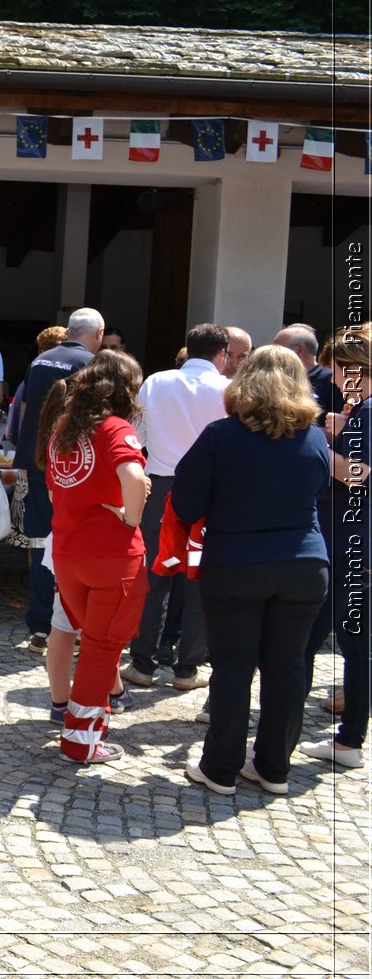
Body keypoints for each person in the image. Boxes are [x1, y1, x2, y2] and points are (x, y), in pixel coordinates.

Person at [177, 346, 331, 796]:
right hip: (304, 564)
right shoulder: (316, 438)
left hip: (236, 565)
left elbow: (187, 504)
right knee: (287, 668)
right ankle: (273, 768)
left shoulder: (220, 435)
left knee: (233, 667)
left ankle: (221, 768)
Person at [42, 350, 151, 763]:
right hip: (111, 555)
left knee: (93, 645)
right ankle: (80, 740)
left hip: (70, 553)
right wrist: (130, 518)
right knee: (101, 650)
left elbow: (56, 492)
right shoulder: (115, 428)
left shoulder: (63, 430)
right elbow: (134, 475)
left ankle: (86, 731)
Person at [122, 324, 231, 692]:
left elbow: (137, 437)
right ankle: (187, 668)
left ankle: (142, 662)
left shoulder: (156, 382)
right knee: (197, 579)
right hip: (209, 490)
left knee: (155, 576)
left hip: (163, 482)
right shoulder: (227, 388)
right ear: (222, 354)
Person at [298, 325, 370, 770]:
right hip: (348, 540)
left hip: (346, 543)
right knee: (339, 642)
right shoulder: (360, 410)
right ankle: (348, 739)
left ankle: (347, 740)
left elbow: (359, 474)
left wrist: (321, 441)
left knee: (336, 643)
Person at [13, 310, 105, 653]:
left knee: (40, 543)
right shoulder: (92, 366)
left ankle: (40, 627)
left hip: (37, 461)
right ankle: (69, 624)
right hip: (73, 467)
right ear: (98, 333)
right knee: (74, 545)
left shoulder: (40, 362)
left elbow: (24, 411)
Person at [275, 323, 343, 420]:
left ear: (299, 350)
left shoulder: (332, 380)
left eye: (278, 348)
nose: (272, 353)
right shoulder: (278, 380)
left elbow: (339, 427)